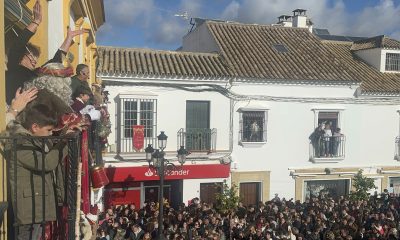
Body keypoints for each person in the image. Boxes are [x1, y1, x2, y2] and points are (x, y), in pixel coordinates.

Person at [4, 104, 70, 240]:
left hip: (34, 206)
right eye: (48, 130)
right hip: (29, 209)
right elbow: (46, 163)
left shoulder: (30, 141)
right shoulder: (21, 144)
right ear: (35, 127)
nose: (51, 134)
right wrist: (65, 142)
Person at [6, 0, 88, 104]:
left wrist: (69, 39)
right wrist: (36, 22)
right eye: (33, 56)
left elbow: (56, 60)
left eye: (36, 57)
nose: (35, 60)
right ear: (23, 55)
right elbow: (18, 44)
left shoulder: (36, 74)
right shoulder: (14, 68)